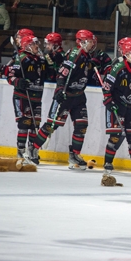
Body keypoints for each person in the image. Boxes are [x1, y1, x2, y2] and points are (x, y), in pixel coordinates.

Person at [28, 30, 97, 168]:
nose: (92, 44)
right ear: (82, 42)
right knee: (52, 125)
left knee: (82, 125)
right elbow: (62, 74)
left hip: (79, 96)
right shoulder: (75, 54)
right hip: (65, 96)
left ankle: (75, 155)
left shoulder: (86, 56)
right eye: (90, 41)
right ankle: (33, 149)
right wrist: (59, 90)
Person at [101, 40, 131, 175]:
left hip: (130, 107)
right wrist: (108, 100)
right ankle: (108, 162)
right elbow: (106, 87)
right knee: (115, 136)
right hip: (117, 106)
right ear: (126, 54)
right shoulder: (117, 68)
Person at [7, 35, 47, 162]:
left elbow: (48, 74)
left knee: (35, 125)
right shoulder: (22, 58)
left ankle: (32, 150)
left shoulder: (40, 59)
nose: (37, 46)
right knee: (24, 124)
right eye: (34, 44)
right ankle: (21, 151)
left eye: (37, 44)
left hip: (36, 97)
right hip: (23, 96)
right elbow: (10, 76)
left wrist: (51, 64)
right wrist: (18, 82)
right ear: (27, 46)